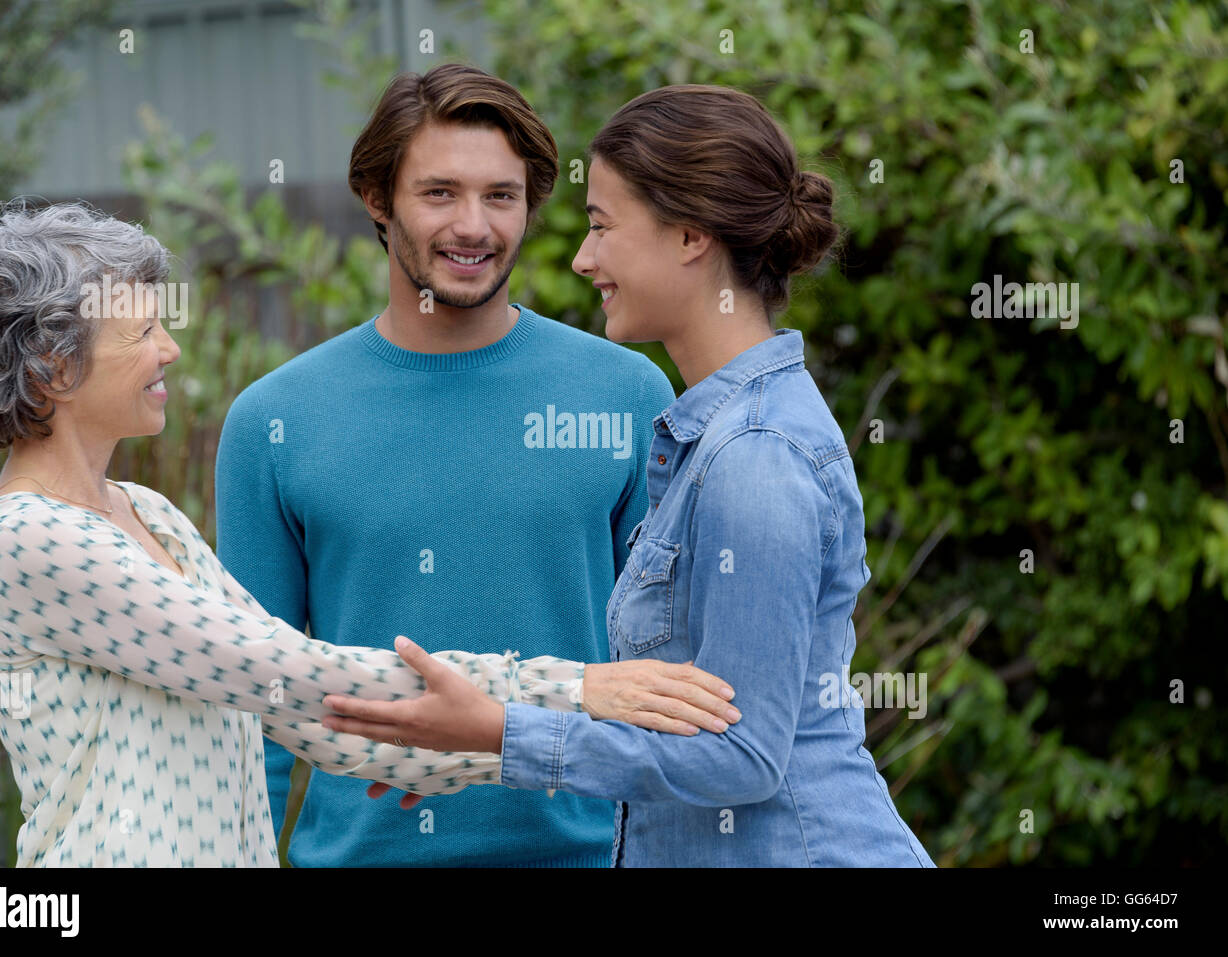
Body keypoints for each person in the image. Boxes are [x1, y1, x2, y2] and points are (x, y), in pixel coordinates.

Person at [0, 200, 741, 867]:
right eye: (141, 334)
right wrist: (575, 691)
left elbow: (315, 715)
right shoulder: (31, 541)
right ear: (51, 368)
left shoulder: (148, 513)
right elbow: (297, 671)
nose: (170, 349)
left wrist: (457, 748)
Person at [322, 85, 936, 867]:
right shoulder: (715, 437)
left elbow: (743, 758)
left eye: (601, 226)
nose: (583, 259)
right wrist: (471, 749)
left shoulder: (753, 457)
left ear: (689, 236)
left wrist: (501, 734)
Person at [215, 64, 693, 867]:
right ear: (377, 198)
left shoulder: (626, 392)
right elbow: (249, 705)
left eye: (501, 196)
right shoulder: (274, 420)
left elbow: (666, 671)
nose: (474, 225)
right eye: (439, 193)